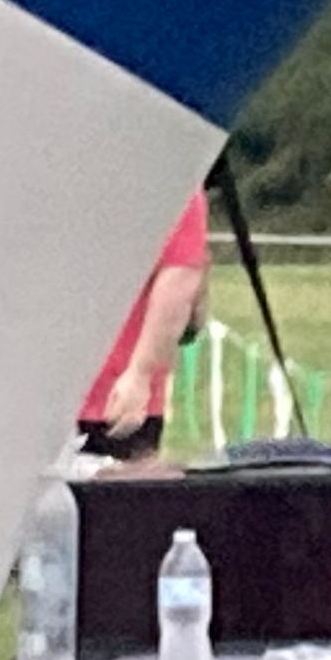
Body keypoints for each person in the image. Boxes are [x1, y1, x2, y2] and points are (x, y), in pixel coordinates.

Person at [81, 186, 208, 459]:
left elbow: (179, 280)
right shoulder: (172, 179)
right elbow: (182, 280)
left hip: (111, 397)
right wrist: (142, 374)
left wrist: (140, 374)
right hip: (115, 393)